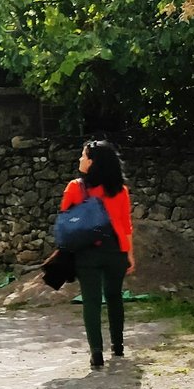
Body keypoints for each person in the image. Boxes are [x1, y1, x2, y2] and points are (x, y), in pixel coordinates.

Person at [61, 140, 134, 370]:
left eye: (84, 156)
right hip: (115, 249)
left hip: (87, 251)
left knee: (91, 301)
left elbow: (65, 220)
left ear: (93, 162)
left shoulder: (75, 188)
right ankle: (118, 345)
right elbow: (126, 225)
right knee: (114, 296)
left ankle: (96, 353)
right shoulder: (121, 190)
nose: (80, 159)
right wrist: (130, 254)